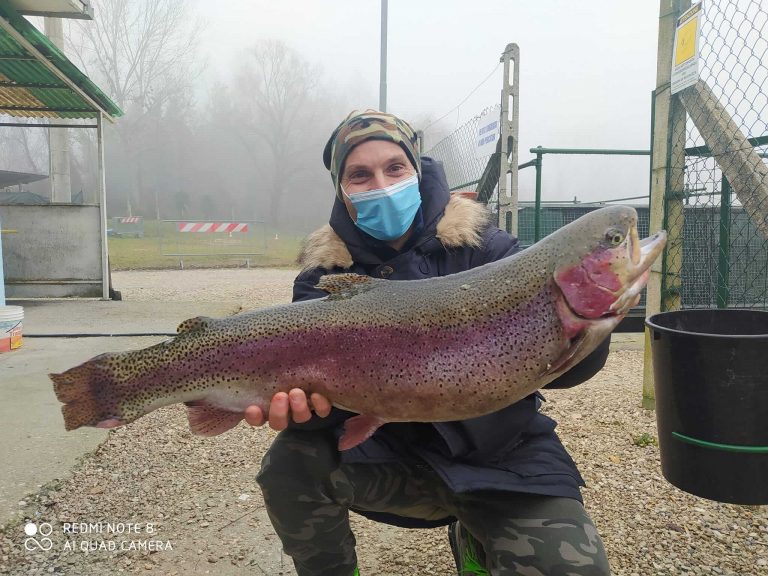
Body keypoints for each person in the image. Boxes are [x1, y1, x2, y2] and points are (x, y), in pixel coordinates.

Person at [245, 110, 612, 576]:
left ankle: (478, 536)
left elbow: (568, 373)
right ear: (341, 190)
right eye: (360, 175)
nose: (380, 183)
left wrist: (587, 326)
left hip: (503, 458)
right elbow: (328, 408)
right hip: (390, 458)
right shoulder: (322, 280)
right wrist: (307, 413)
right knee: (289, 464)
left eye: (394, 168)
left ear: (417, 171)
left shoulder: (490, 250)